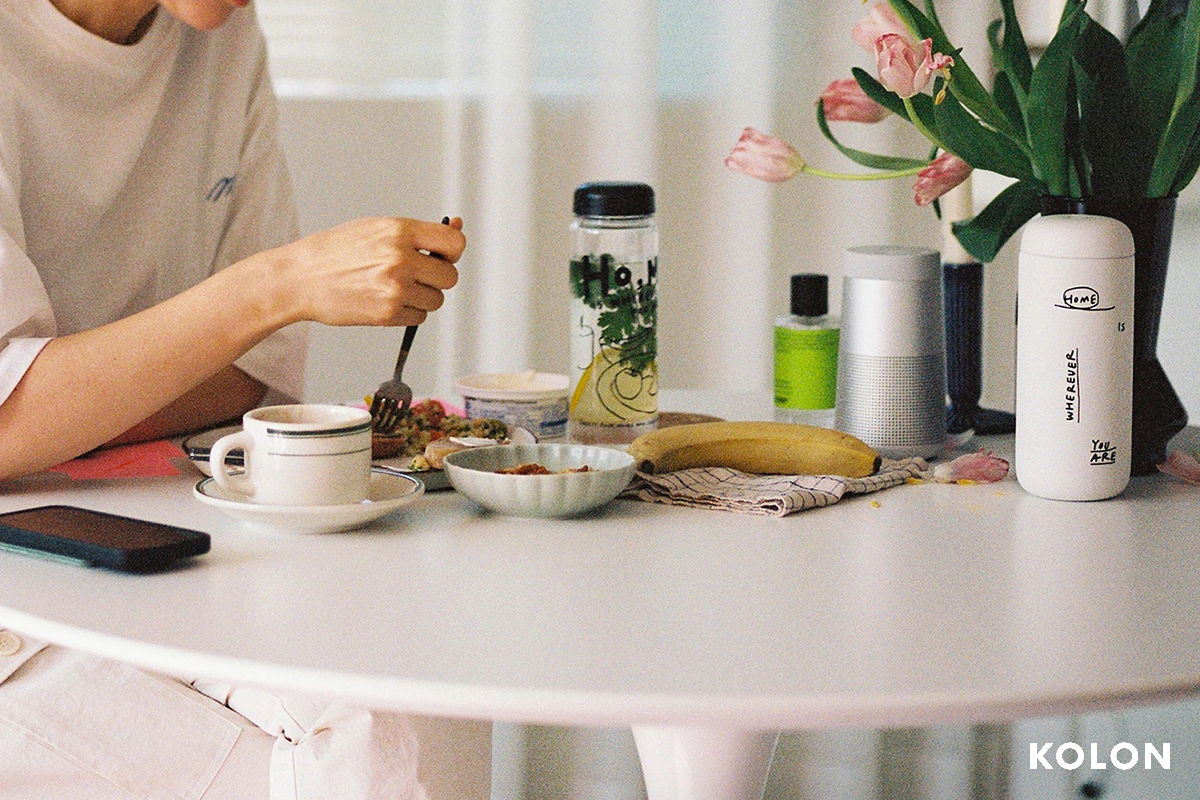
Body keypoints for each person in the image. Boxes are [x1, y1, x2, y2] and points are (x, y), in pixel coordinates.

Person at [0, 0, 468, 797]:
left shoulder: (220, 37)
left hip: (153, 544)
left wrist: (61, 409)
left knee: (412, 690)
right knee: (361, 758)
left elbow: (258, 377)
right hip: (33, 589)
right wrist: (277, 284)